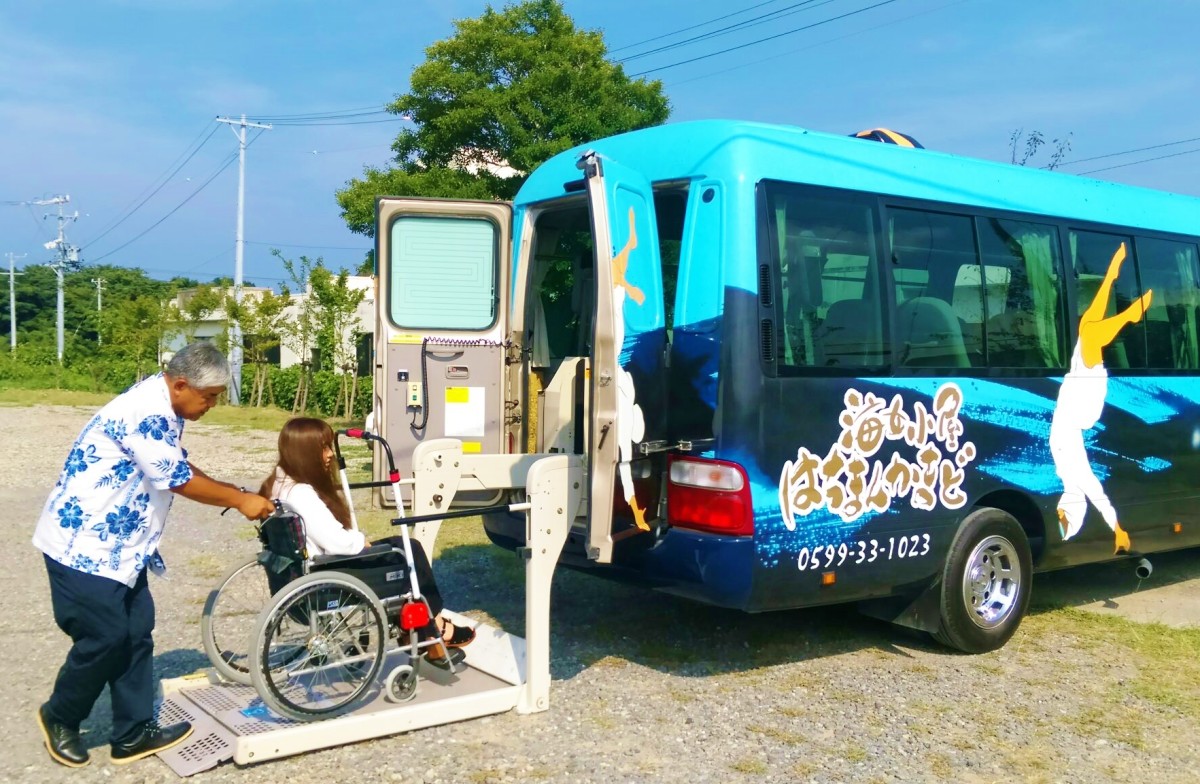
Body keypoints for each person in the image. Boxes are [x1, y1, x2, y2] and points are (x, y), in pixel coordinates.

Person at [32, 342, 277, 769]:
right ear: (182, 384)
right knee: (104, 637)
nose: (212, 405)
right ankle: (60, 716)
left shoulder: (164, 405)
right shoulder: (145, 411)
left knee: (136, 631)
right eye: (210, 396)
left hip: (121, 548)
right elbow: (176, 478)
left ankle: (132, 733)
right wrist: (240, 502)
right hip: (84, 547)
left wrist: (237, 492)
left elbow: (175, 462)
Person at [259, 417, 475, 667]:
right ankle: (435, 629)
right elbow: (338, 543)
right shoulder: (301, 494)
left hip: (301, 573)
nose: (330, 454)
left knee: (399, 549)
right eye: (324, 448)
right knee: (409, 550)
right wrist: (362, 543)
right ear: (305, 453)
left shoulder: (278, 483)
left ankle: (418, 631)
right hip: (329, 572)